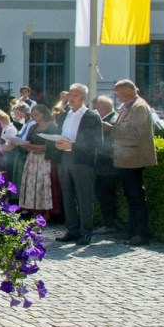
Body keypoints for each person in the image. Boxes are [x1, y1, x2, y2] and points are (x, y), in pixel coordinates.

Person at [109, 80, 158, 246]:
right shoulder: (128, 105)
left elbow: (135, 133)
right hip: (126, 158)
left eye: (119, 92)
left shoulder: (139, 107)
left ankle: (141, 233)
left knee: (136, 197)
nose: (117, 95)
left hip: (134, 158)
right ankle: (132, 230)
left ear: (129, 91)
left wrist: (110, 128)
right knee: (130, 196)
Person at [55, 83, 103, 245]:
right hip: (65, 159)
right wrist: (57, 143)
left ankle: (86, 231)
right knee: (67, 196)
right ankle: (72, 229)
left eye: (74, 95)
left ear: (83, 98)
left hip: (82, 161)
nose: (70, 98)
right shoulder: (65, 115)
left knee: (84, 197)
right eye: (69, 95)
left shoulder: (91, 116)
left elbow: (96, 143)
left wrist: (73, 146)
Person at [20, 105, 58, 216]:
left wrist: (33, 146)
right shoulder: (33, 127)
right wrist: (25, 145)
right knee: (32, 184)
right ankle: (34, 209)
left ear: (43, 114)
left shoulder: (52, 127)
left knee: (43, 184)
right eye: (33, 115)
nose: (34, 117)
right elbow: (27, 142)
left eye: (36, 114)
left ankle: (47, 211)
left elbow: (50, 145)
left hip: (46, 160)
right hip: (32, 159)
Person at [91, 95, 120, 234]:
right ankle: (107, 222)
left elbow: (111, 142)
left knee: (107, 195)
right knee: (102, 194)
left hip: (108, 165)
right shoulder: (104, 119)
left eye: (95, 107)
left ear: (102, 107)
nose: (94, 110)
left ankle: (110, 224)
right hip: (102, 164)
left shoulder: (113, 118)